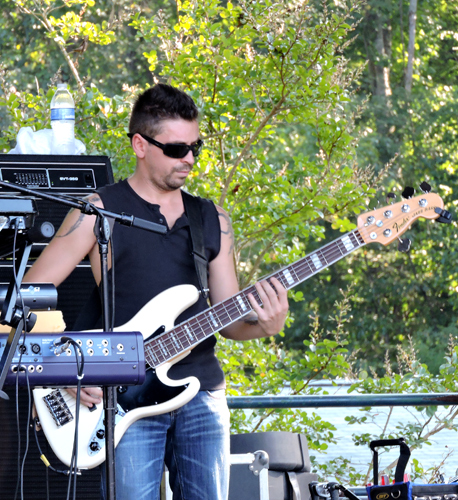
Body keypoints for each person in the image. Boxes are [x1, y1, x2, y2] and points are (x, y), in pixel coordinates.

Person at [24, 83, 289, 500]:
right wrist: (65, 368)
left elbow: (230, 320)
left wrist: (265, 326)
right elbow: (27, 296)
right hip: (122, 395)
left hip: (202, 393)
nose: (190, 159)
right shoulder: (97, 211)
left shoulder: (211, 218)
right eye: (177, 149)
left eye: (196, 147)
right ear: (140, 145)